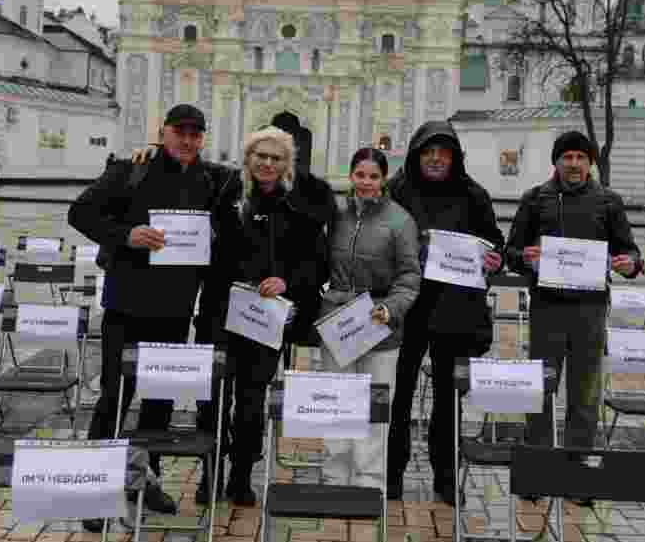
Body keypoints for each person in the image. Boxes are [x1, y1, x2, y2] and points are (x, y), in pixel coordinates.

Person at [67, 104, 230, 531]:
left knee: (158, 404)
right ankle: (95, 491)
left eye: (197, 134)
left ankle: (145, 481)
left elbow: (255, 180)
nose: (188, 140)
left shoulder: (210, 180)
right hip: (126, 306)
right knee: (113, 401)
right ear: (164, 132)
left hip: (175, 311)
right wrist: (126, 235)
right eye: (181, 132)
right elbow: (80, 213)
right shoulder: (129, 171)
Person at [194, 126, 328, 506]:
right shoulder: (225, 196)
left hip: (264, 321)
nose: (267, 163)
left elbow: (316, 265)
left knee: (251, 402)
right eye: (261, 156)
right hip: (219, 313)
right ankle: (210, 472)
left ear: (287, 164)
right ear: (248, 159)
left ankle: (241, 474)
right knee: (213, 398)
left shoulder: (297, 208)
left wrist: (286, 281)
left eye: (276, 158)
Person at [505, 131, 644, 460]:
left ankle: (577, 463)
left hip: (590, 310)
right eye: (567, 157)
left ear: (590, 162)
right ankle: (537, 464)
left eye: (581, 157)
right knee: (541, 386)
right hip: (547, 307)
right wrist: (524, 258)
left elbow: (630, 252)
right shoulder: (535, 199)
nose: (574, 164)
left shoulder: (609, 201)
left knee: (585, 392)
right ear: (555, 161)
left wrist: (630, 264)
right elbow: (511, 250)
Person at [385, 121, 505, 505]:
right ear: (417, 155)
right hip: (406, 309)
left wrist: (493, 259)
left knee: (447, 399)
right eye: (428, 152)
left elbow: (495, 247)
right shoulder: (397, 191)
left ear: (454, 157)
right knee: (398, 395)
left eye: (444, 152)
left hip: (454, 309)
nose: (436, 158)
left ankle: (446, 475)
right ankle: (391, 473)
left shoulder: (474, 195)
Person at [320, 148, 420, 489]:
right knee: (337, 400)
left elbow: (409, 277)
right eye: (360, 175)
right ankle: (335, 475)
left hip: (379, 325)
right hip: (339, 323)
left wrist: (390, 308)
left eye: (373, 176)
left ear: (383, 179)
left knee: (375, 406)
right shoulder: (336, 214)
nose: (366, 183)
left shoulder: (400, 221)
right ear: (351, 176)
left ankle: (369, 480)